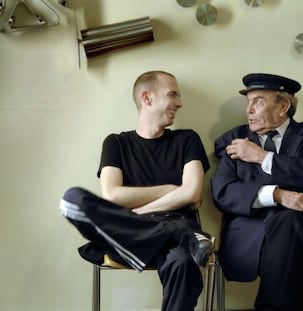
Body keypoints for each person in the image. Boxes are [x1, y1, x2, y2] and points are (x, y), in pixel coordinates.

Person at [59, 70, 214, 311]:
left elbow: (192, 194)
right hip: (130, 233)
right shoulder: (116, 143)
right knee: (74, 198)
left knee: (182, 263)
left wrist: (138, 210)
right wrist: (171, 190)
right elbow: (112, 195)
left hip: (167, 242)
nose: (180, 103)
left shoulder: (187, 140)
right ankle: (180, 232)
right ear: (147, 98)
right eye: (173, 95)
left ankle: (179, 233)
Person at [211, 73, 303, 311]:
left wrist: (262, 157)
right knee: (289, 239)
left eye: (258, 102)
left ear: (283, 106)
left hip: (300, 233)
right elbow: (223, 193)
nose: (248, 110)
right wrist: (276, 195)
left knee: (291, 223)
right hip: (249, 234)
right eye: (248, 102)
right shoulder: (234, 139)